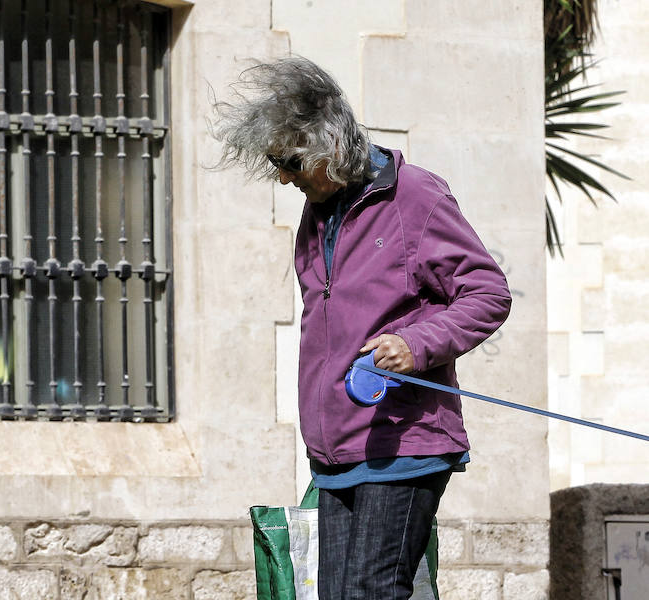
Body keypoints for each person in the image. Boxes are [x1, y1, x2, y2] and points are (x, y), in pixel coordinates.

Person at [212, 57, 512, 599]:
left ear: (327, 144)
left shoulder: (416, 198)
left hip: (404, 442)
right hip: (335, 450)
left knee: (374, 593)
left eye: (288, 160)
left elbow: (487, 294)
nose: (282, 175)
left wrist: (416, 345)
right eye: (273, 162)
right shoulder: (316, 214)